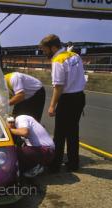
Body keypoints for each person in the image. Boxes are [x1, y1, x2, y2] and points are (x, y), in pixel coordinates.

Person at [40, 34, 86, 172]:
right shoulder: (75, 56)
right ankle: (73, 163)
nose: (44, 53)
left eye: (45, 50)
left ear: (53, 47)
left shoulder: (58, 60)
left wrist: (52, 105)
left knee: (59, 134)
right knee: (73, 132)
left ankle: (55, 166)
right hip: (80, 97)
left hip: (67, 100)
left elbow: (58, 86)